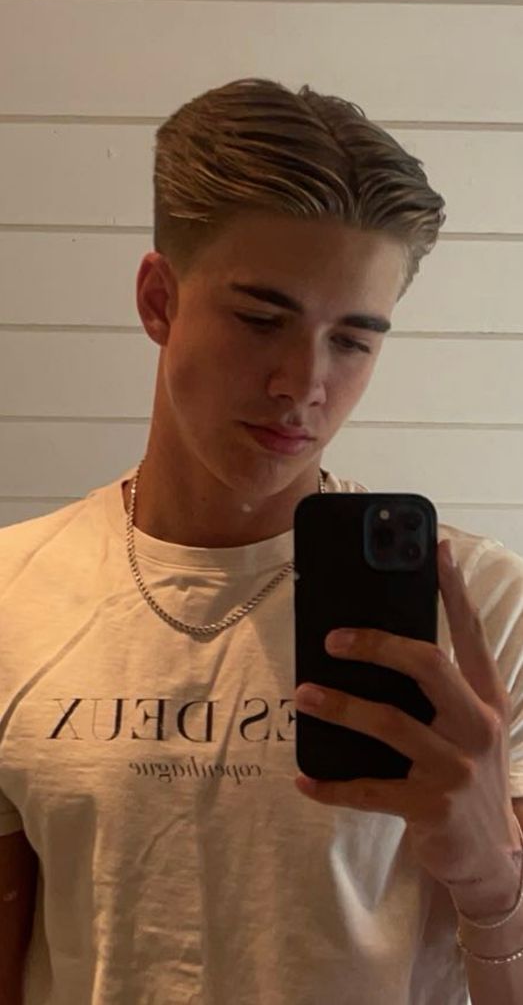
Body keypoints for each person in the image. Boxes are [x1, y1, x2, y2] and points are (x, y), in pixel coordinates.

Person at [0, 76, 522, 1005]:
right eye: (260, 319)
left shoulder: (478, 608)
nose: (301, 383)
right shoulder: (13, 594)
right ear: (159, 300)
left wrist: (490, 876)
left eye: (352, 340)